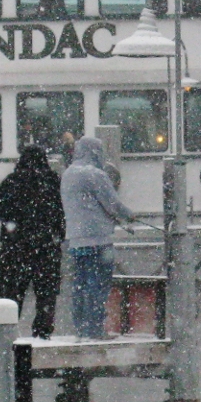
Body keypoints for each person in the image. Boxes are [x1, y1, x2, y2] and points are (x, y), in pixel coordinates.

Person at [60, 136, 135, 339]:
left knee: (80, 284)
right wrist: (129, 215)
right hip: (98, 240)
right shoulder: (95, 174)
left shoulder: (67, 174)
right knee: (98, 285)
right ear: (95, 152)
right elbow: (112, 204)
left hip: (75, 240)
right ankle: (95, 329)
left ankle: (81, 327)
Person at [0, 146, 65, 339]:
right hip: (46, 247)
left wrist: (14, 227)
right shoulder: (52, 181)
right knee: (46, 293)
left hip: (16, 247)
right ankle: (42, 333)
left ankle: (6, 334)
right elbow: (60, 213)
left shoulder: (11, 181)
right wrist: (57, 235)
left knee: (11, 293)